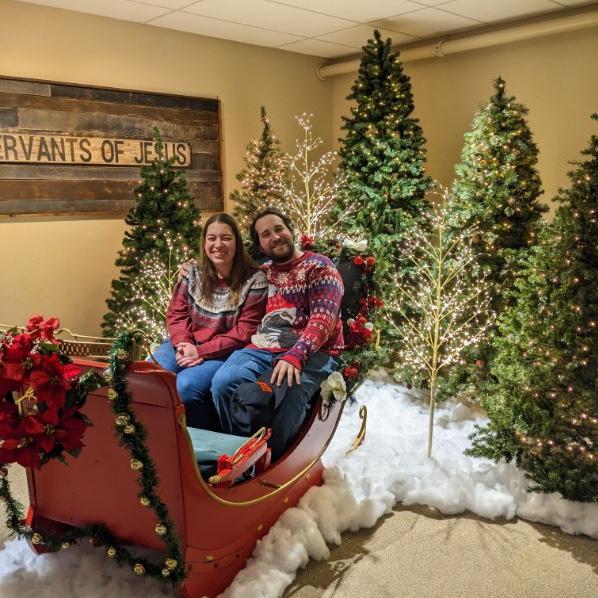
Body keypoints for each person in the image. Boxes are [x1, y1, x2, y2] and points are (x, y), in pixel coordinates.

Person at [210, 207, 344, 459]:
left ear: (291, 231)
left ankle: (276, 463)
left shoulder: (319, 267)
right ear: (260, 244)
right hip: (263, 347)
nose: (275, 237)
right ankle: (240, 456)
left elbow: (323, 320)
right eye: (266, 234)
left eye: (279, 229)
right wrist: (194, 270)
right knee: (223, 382)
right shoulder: (262, 273)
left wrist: (296, 355)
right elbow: (222, 282)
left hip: (314, 349)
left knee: (289, 395)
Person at [152, 213, 267, 430]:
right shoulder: (192, 272)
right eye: (211, 238)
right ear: (204, 241)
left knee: (185, 386)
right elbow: (176, 314)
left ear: (237, 242)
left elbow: (245, 331)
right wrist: (183, 343)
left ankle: (200, 443)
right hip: (185, 343)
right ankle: (160, 438)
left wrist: (201, 352)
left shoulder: (254, 279)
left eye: (225, 238)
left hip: (222, 352)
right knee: (152, 377)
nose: (218, 245)